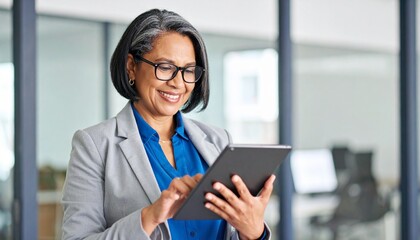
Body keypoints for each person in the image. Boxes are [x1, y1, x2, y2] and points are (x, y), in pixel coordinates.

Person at [62, 9, 276, 240]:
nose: (178, 83)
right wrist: (149, 216)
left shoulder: (218, 140)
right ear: (131, 66)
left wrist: (253, 231)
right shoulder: (94, 145)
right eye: (165, 67)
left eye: (188, 71)